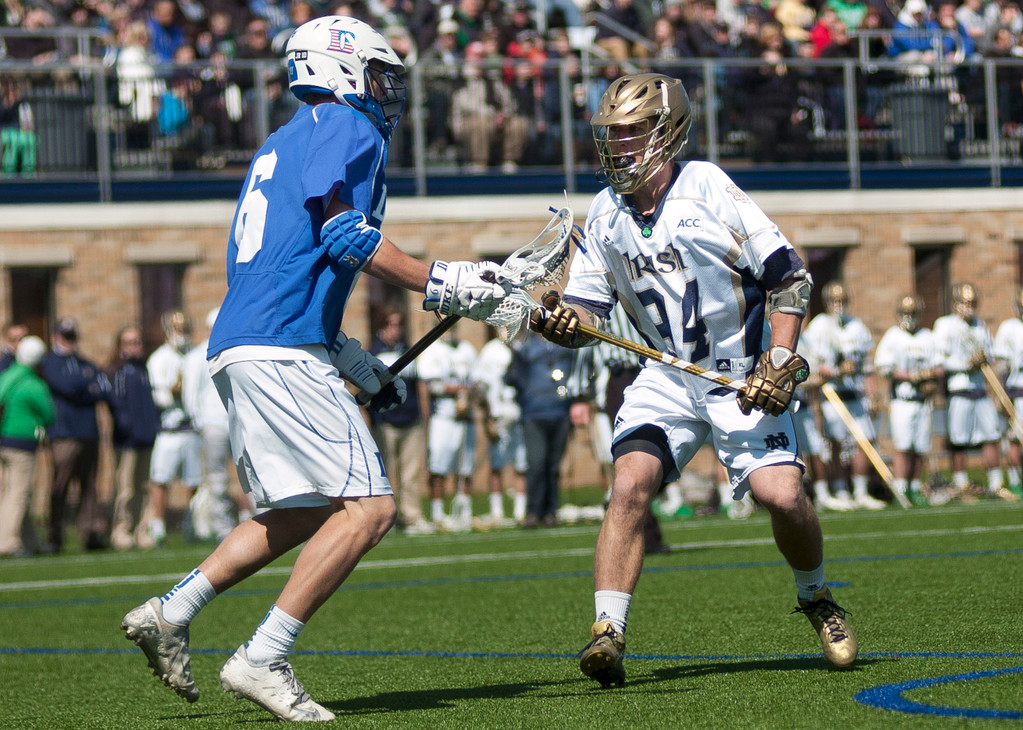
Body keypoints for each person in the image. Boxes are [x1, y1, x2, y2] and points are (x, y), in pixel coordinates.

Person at [120, 16, 507, 722]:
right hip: (279, 345)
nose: (387, 93)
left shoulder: (283, 139)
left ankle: (171, 610)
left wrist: (363, 368)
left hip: (251, 339)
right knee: (370, 508)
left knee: (298, 511)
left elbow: (299, 270)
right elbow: (344, 236)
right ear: (339, 68)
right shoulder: (344, 125)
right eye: (379, 75)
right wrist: (445, 281)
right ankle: (263, 655)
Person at [528, 73, 857, 687]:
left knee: (782, 498)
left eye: (631, 132)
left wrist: (779, 361)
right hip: (665, 376)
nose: (618, 146)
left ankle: (817, 598)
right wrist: (560, 319)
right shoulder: (605, 213)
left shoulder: (705, 185)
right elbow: (588, 311)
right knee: (629, 484)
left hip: (740, 376)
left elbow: (789, 277)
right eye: (612, 134)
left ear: (666, 131)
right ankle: (608, 632)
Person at [802, 281, 886, 510]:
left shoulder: (856, 326)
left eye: (842, 300)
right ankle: (840, 489)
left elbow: (867, 365)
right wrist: (838, 371)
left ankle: (860, 490)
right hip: (832, 393)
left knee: (865, 440)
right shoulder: (819, 327)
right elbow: (813, 364)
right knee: (836, 443)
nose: (839, 305)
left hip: (855, 393)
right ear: (827, 302)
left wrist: (872, 394)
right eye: (835, 301)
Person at [932, 282, 1015, 501]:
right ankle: (962, 485)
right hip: (958, 389)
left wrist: (983, 358)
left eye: (972, 303)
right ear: (956, 303)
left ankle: (996, 483)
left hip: (980, 388)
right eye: (965, 302)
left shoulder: (980, 326)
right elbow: (939, 359)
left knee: (991, 434)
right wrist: (965, 363)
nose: (969, 307)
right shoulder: (945, 325)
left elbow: (989, 353)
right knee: (958, 440)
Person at [182, 307, 255, 542]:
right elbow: (190, 393)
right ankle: (223, 526)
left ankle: (262, 517)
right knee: (217, 478)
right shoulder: (197, 355)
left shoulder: (234, 350)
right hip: (213, 423)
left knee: (252, 470)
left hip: (237, 420)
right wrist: (199, 421)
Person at [41, 317, 110, 552]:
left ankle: (91, 533)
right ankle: (54, 536)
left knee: (90, 486)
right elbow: (66, 386)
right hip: (64, 433)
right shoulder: (50, 362)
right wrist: (85, 386)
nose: (69, 342)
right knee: (60, 486)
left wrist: (83, 387)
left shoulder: (85, 363)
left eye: (72, 337)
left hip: (89, 432)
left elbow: (103, 388)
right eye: (64, 337)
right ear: (55, 338)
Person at [367, 308, 433, 535]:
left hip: (410, 420)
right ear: (381, 327)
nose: (395, 330)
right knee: (387, 473)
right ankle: (388, 519)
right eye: (391, 324)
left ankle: (412, 516)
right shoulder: (373, 353)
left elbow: (419, 387)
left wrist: (424, 417)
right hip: (385, 422)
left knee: (411, 473)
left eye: (398, 325)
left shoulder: (408, 351)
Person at [873, 295, 943, 507]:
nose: (909, 317)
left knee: (920, 446)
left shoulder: (927, 336)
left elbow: (940, 365)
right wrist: (913, 376)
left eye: (913, 313)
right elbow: (885, 366)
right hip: (902, 399)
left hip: (922, 400)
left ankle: (914, 487)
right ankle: (901, 487)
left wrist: (930, 376)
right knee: (903, 445)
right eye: (906, 313)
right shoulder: (893, 336)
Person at [142, 309, 202, 546]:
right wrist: (174, 390)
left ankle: (191, 522)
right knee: (161, 478)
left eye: (185, 330)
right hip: (169, 427)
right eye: (178, 330)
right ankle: (157, 525)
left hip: (191, 427)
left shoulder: (195, 354)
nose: (182, 335)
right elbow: (161, 397)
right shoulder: (159, 358)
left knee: (193, 478)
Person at [505, 327, 575, 528]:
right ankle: (534, 511)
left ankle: (551, 510)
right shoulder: (526, 347)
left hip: (560, 410)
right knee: (536, 463)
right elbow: (512, 376)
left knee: (553, 466)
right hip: (534, 413)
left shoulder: (565, 345)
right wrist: (525, 395)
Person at [418, 324, 481, 531]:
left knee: (465, 466)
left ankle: (465, 511)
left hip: (465, 417)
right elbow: (431, 384)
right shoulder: (434, 350)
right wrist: (457, 389)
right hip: (443, 416)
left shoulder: (466, 349)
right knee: (439, 465)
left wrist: (469, 392)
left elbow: (478, 381)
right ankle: (438, 513)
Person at [107, 325, 163, 551]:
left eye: (137, 342)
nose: (134, 346)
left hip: (147, 439)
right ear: (120, 346)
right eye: (129, 342)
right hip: (126, 442)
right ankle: (121, 531)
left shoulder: (144, 370)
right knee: (126, 490)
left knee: (145, 488)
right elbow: (117, 406)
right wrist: (127, 429)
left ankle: (142, 531)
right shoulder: (118, 372)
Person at [0, 336, 54, 557]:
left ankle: (32, 542)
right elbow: (50, 413)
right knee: (18, 494)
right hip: (22, 444)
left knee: (12, 492)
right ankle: (6, 542)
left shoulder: (6, 375)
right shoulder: (33, 383)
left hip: (3, 441)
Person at [476, 329, 528, 527]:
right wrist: (487, 416)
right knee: (497, 463)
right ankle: (497, 511)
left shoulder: (521, 349)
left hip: (520, 411)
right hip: (498, 412)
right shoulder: (490, 351)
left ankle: (520, 512)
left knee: (521, 464)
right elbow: (480, 385)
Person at [993, 288, 1023, 498]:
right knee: (1015, 439)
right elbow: (1002, 365)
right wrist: (1002, 395)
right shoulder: (1009, 328)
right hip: (1018, 391)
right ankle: (1015, 481)